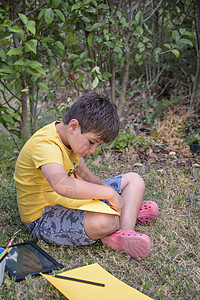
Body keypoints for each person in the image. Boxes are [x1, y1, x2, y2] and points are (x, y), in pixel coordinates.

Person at [14, 92, 158, 259]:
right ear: (73, 126)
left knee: (134, 180)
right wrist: (110, 194)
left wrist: (107, 192)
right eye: (91, 142)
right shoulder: (46, 145)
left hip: (72, 202)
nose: (93, 150)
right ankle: (124, 216)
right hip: (43, 217)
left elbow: (85, 175)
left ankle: (125, 230)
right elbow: (61, 184)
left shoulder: (69, 139)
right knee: (106, 221)